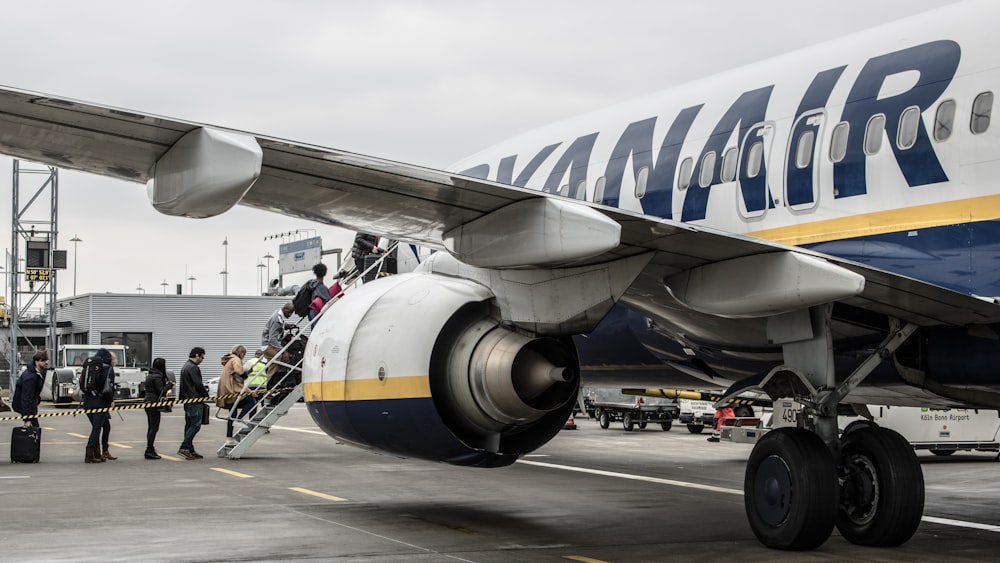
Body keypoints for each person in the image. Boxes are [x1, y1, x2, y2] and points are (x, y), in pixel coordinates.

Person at [218, 344, 256, 445]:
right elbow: (239, 372)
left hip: (226, 391)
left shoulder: (229, 360)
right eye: (244, 354)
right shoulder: (236, 359)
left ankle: (229, 438)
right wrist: (245, 374)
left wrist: (249, 391)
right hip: (232, 390)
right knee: (251, 402)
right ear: (241, 353)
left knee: (232, 414)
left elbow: (238, 382)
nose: (244, 356)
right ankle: (239, 419)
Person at [83, 348, 115, 463]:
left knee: (95, 428)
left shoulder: (91, 367)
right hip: (100, 402)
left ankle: (97, 453)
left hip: (87, 401)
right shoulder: (108, 369)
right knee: (96, 429)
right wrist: (110, 401)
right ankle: (89, 455)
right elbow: (108, 389)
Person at [178, 347, 208, 460]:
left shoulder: (186, 366)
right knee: (195, 425)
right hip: (194, 400)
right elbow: (198, 384)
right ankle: (185, 447)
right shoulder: (193, 368)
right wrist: (205, 395)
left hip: (187, 400)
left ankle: (190, 449)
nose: (202, 359)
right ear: (197, 355)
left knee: (189, 424)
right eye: (202, 357)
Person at [143, 357, 172, 459]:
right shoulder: (157, 377)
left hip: (148, 401)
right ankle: (149, 449)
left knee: (151, 426)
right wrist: (169, 385)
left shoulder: (150, 375)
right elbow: (161, 391)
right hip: (154, 403)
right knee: (154, 427)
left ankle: (150, 448)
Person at [15, 350, 48, 428]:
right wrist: (27, 419)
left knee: (35, 429)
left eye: (46, 360)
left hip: (32, 402)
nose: (46, 362)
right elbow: (26, 398)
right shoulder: (30, 377)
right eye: (43, 360)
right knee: (34, 428)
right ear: (36, 362)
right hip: (25, 404)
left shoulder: (41, 372)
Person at [262, 302, 294, 379]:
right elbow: (272, 339)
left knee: (277, 359)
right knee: (278, 357)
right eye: (289, 313)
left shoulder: (278, 314)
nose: (290, 315)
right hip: (268, 345)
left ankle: (275, 379)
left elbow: (279, 326)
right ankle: (271, 381)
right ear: (285, 309)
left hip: (270, 344)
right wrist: (283, 351)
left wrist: (287, 326)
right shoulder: (276, 320)